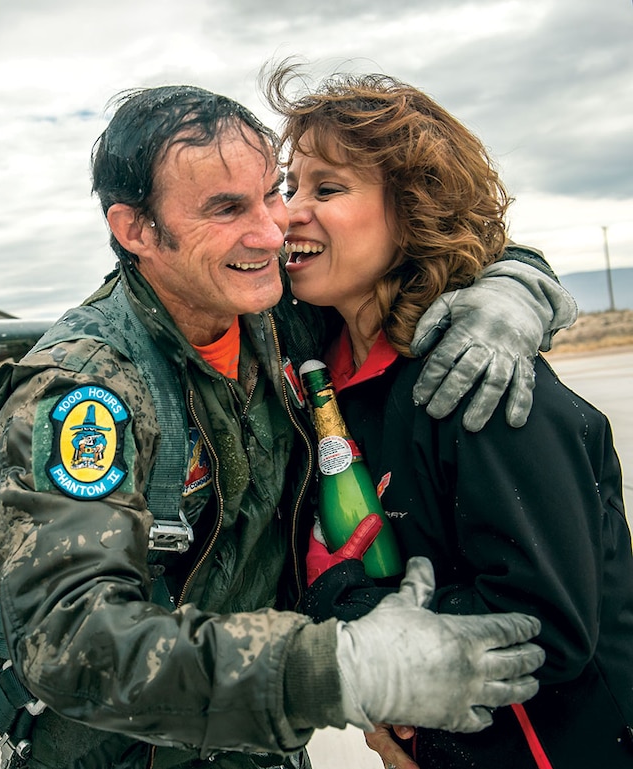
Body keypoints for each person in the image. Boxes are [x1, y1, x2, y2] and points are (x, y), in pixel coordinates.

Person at [0, 84, 572, 769]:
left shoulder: (272, 311)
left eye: (271, 193)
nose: (272, 231)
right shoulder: (84, 390)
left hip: (256, 749)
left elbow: (414, 254)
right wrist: (341, 669)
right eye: (226, 209)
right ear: (136, 229)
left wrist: (514, 285)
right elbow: (68, 641)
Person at [266, 64, 633, 768]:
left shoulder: (474, 375)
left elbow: (544, 623)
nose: (288, 213)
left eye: (327, 188)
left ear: (413, 209)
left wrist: (342, 610)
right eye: (290, 188)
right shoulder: (325, 378)